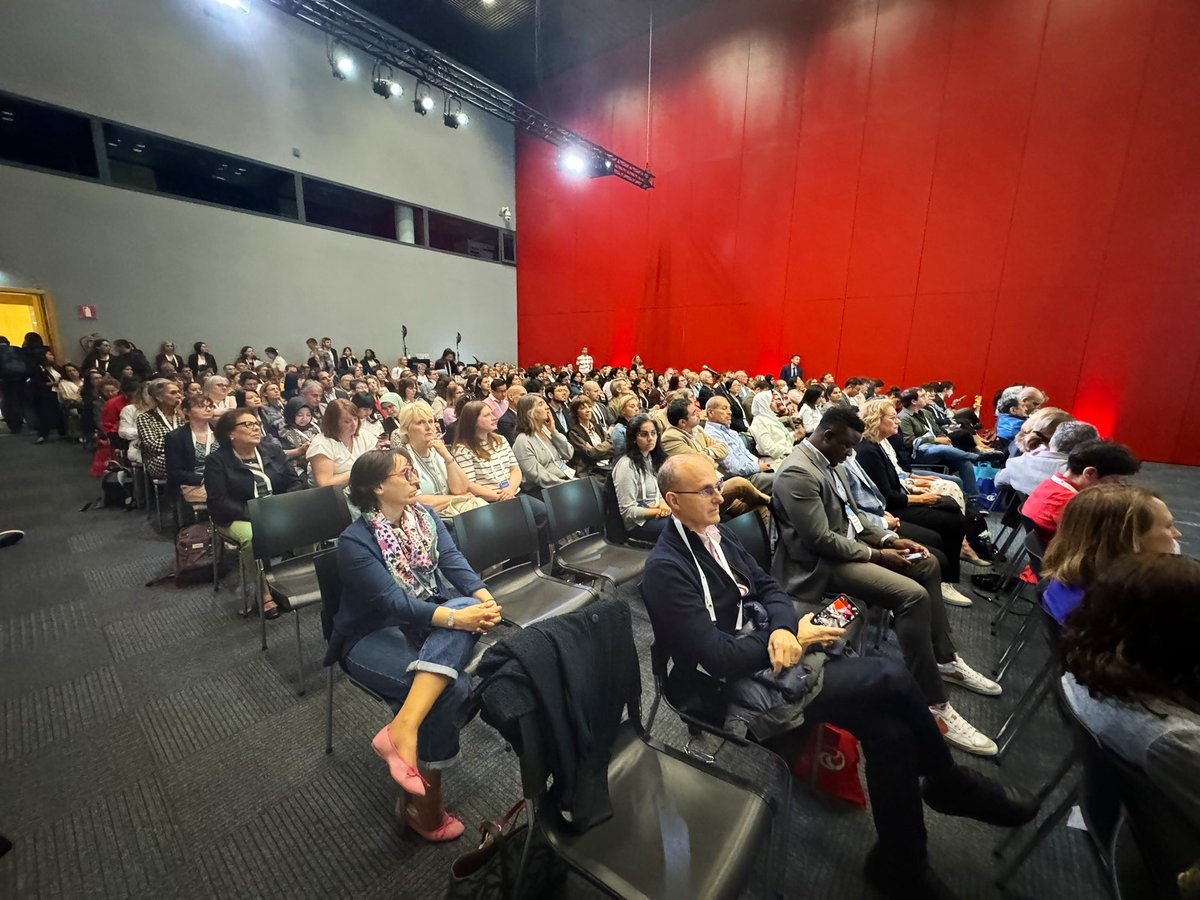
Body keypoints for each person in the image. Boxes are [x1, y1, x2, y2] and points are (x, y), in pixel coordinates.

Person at [643, 454, 1037, 899]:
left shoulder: (715, 532)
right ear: (673, 501)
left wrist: (783, 630)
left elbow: (770, 588)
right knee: (888, 680)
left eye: (718, 485)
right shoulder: (665, 568)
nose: (721, 496)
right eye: (708, 491)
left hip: (766, 652)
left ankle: (900, 863)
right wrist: (790, 633)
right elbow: (715, 658)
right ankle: (947, 783)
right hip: (724, 689)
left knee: (889, 731)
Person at [771, 406, 1001, 755]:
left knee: (926, 564)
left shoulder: (831, 463)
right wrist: (879, 555)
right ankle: (933, 703)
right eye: (847, 446)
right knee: (911, 595)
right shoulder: (798, 472)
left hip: (848, 548)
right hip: (817, 565)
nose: (851, 453)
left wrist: (888, 540)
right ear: (827, 435)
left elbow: (854, 516)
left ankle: (946, 659)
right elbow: (820, 540)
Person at [333, 450, 502, 840]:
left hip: (425, 619)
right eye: (405, 472)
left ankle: (402, 729)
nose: (415, 478)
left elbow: (455, 561)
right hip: (370, 634)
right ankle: (427, 807)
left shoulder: (424, 517)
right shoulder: (354, 541)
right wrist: (457, 618)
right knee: (452, 688)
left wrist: (484, 598)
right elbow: (392, 604)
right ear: (377, 486)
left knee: (463, 604)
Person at [1060, 553, 1200, 833]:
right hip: (1167, 841)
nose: (1175, 534)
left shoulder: (1086, 666)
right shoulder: (1174, 737)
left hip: (1118, 805)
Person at [857, 399, 990, 576]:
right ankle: (948, 576)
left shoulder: (881, 444)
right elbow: (887, 495)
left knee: (951, 504)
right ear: (876, 420)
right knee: (953, 521)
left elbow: (896, 477)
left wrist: (915, 488)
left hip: (899, 495)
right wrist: (920, 498)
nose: (898, 421)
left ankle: (960, 553)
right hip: (891, 507)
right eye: (893, 417)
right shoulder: (868, 451)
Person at [205, 407, 304, 619]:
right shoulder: (217, 461)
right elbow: (219, 502)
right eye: (247, 425)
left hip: (277, 509)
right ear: (230, 433)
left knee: (312, 523)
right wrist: (259, 515)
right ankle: (263, 591)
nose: (255, 428)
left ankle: (297, 582)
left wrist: (282, 507)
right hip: (238, 515)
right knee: (251, 537)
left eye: (256, 423)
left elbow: (295, 482)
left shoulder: (272, 450)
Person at [1040, 484, 1180, 624]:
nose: (1177, 534)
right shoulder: (1125, 613)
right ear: (1128, 540)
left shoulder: (1074, 577)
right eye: (1168, 526)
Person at [1021, 439, 1142, 542]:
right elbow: (1099, 541)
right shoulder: (1071, 504)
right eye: (1115, 481)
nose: (1117, 487)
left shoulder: (1049, 484)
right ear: (1090, 473)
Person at [392, 401, 486, 518]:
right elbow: (416, 500)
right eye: (420, 422)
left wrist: (447, 457)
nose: (428, 427)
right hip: (424, 517)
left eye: (431, 421)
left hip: (451, 512)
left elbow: (461, 489)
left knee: (481, 508)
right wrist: (456, 498)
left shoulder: (438, 451)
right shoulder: (402, 459)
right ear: (407, 429)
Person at [995, 419, 1099, 496]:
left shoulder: (1017, 463)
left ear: (1053, 439)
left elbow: (998, 482)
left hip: (1027, 519)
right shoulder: (1081, 478)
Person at [610, 414, 672, 541]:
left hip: (656, 515)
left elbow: (657, 493)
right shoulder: (626, 465)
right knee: (684, 528)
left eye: (653, 433)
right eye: (644, 435)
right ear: (633, 438)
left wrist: (663, 504)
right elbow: (628, 512)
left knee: (693, 518)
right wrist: (658, 511)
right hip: (638, 524)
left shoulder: (651, 458)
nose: (650, 438)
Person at [704, 395, 774, 492]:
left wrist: (759, 463)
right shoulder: (711, 435)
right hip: (741, 479)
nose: (730, 412)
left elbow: (745, 453)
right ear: (711, 412)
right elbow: (733, 468)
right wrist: (758, 467)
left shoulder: (731, 432)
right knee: (783, 478)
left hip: (753, 471)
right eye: (724, 408)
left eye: (729, 408)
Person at [308, 397, 379, 488]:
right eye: (347, 421)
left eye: (355, 419)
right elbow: (325, 484)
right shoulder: (321, 445)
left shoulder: (363, 435)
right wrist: (360, 471)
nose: (354, 424)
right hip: (334, 497)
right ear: (333, 422)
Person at [512, 394, 575, 495]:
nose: (547, 407)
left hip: (564, 479)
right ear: (529, 413)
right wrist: (566, 484)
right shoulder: (523, 441)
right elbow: (538, 475)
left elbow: (568, 454)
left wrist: (554, 432)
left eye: (545, 403)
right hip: (543, 489)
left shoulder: (547, 431)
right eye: (540, 404)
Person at [165, 394, 218, 504]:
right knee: (226, 497)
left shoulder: (220, 433)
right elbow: (174, 472)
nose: (208, 409)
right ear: (187, 411)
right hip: (192, 483)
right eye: (201, 406)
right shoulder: (176, 437)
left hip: (221, 480)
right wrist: (203, 479)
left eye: (210, 406)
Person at [135, 379, 185, 481]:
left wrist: (184, 415)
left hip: (187, 454)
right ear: (159, 397)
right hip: (159, 460)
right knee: (181, 459)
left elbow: (196, 435)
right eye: (173, 393)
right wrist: (183, 445)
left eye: (179, 392)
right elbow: (152, 445)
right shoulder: (145, 418)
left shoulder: (184, 415)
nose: (179, 395)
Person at [749, 388, 804, 467]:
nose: (776, 403)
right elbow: (768, 449)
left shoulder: (772, 418)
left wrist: (794, 435)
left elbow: (781, 439)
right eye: (771, 401)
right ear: (764, 404)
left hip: (785, 457)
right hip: (774, 462)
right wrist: (790, 450)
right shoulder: (759, 422)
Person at [565, 396, 613, 477]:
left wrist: (594, 449)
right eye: (583, 408)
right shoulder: (574, 432)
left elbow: (612, 447)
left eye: (589, 407)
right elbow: (589, 454)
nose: (588, 410)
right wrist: (604, 447)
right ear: (576, 412)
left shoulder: (598, 427)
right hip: (590, 471)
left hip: (607, 467)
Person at [277, 396, 321, 476]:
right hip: (296, 469)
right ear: (291, 414)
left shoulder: (316, 426)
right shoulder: (283, 431)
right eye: (300, 415)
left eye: (308, 415)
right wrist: (299, 451)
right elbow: (278, 454)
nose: (304, 419)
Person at [29, 349, 65, 443]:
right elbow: (38, 383)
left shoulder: (56, 367)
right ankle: (43, 435)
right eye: (49, 354)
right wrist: (53, 383)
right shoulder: (38, 369)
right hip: (46, 394)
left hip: (60, 392)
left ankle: (63, 431)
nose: (52, 356)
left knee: (60, 412)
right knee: (45, 414)